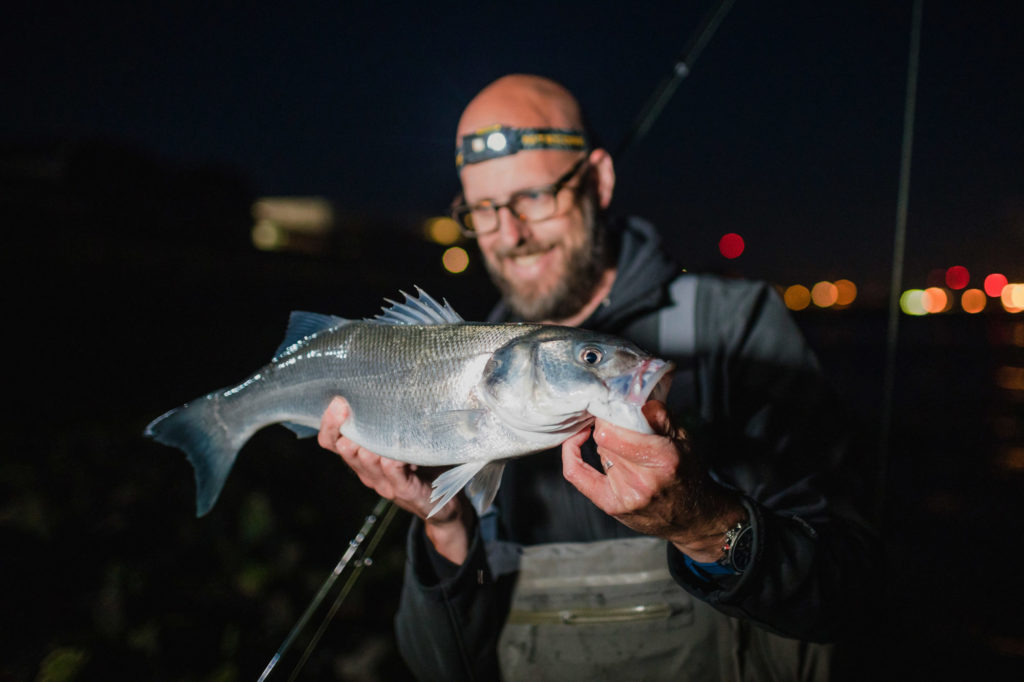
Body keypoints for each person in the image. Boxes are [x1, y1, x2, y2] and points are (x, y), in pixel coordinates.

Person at [318, 74, 879, 681]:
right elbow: (443, 668)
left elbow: (854, 595)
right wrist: (445, 524)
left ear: (599, 180)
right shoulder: (456, 368)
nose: (510, 235)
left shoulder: (733, 326)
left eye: (534, 196)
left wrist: (701, 522)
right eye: (483, 209)